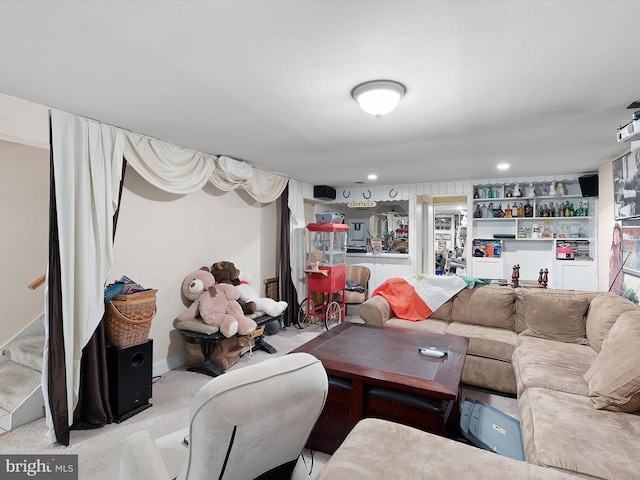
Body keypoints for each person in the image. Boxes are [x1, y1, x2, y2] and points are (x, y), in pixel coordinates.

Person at [609, 223, 624, 295]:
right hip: (612, 282)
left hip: (618, 283)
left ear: (620, 237)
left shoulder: (621, 253)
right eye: (614, 233)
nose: (615, 237)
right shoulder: (612, 252)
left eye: (617, 234)